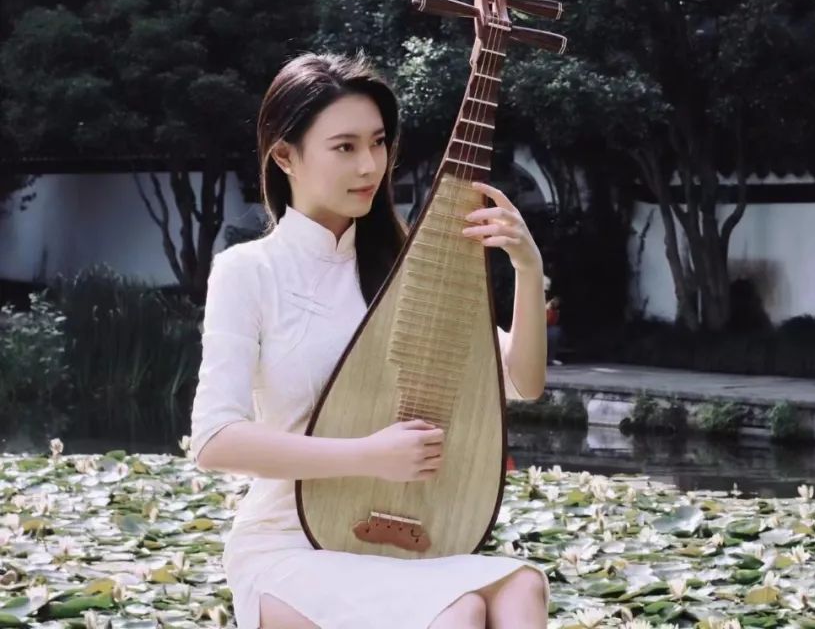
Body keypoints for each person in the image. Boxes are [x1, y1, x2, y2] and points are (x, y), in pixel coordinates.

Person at [189, 52, 550, 629]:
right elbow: (215, 440)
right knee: (456, 610)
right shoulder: (249, 271)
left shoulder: (402, 267)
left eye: (378, 143)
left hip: (404, 533)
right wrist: (367, 455)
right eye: (345, 147)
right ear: (285, 156)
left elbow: (522, 381)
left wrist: (528, 270)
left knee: (521, 586)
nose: (369, 166)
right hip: (288, 543)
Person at [546, 296, 562, 365]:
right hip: (537, 327)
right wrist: (547, 309)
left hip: (548, 328)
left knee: (554, 332)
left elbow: (551, 322)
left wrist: (553, 313)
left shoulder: (555, 311)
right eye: (554, 301)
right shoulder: (544, 306)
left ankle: (550, 359)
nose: (555, 303)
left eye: (557, 303)